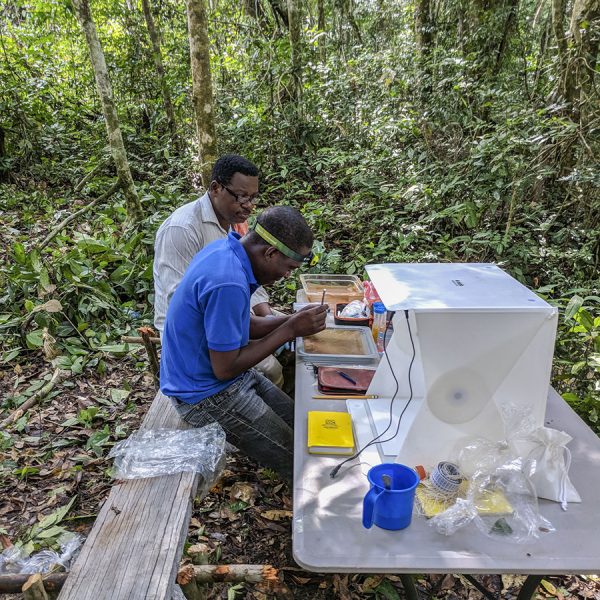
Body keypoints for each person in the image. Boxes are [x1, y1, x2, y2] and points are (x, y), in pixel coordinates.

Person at [160, 207, 328, 481]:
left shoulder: (225, 252)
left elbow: (243, 324)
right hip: (205, 395)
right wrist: (289, 329)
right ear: (271, 253)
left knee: (302, 426)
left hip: (227, 379)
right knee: (300, 461)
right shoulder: (227, 281)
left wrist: (292, 319)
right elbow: (224, 369)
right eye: (289, 268)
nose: (287, 276)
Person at [153, 154, 283, 385]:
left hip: (229, 311)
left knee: (298, 337)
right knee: (270, 368)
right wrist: (255, 330)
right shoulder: (182, 229)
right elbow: (180, 300)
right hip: (193, 332)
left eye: (253, 198)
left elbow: (250, 276)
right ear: (216, 188)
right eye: (241, 197)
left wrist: (269, 317)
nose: (249, 206)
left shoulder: (235, 221)